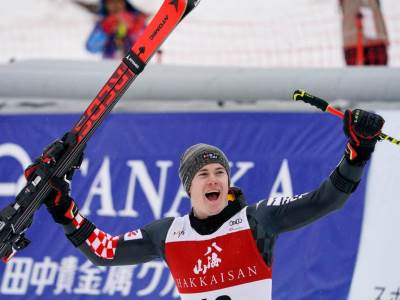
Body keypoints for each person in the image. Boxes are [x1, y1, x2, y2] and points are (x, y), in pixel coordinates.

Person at [25, 109, 384, 299]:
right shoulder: (167, 234)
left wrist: (358, 151)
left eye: (219, 172)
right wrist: (62, 209)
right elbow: (103, 252)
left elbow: (328, 200)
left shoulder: (258, 220)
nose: (213, 179)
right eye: (203, 174)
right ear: (188, 187)